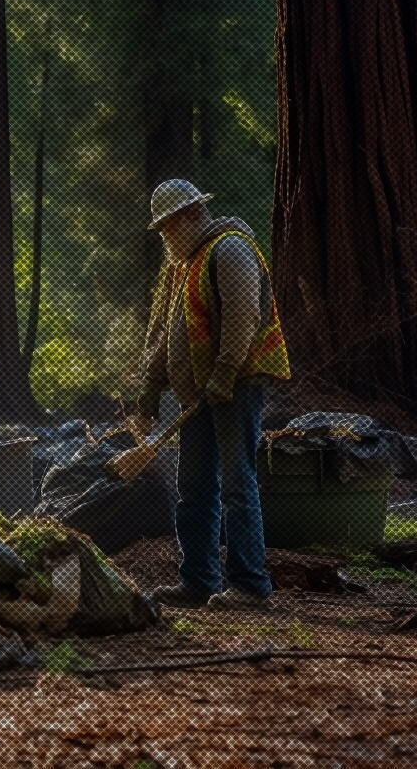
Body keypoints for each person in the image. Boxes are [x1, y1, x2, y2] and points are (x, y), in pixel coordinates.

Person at [133, 179, 290, 611]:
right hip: (202, 391)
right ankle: (199, 579)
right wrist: (151, 384)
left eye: (167, 226)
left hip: (236, 386)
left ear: (189, 216)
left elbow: (244, 318)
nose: (165, 236)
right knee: (194, 487)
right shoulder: (191, 263)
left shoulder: (231, 249)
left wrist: (223, 376)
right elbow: (174, 334)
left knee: (238, 484)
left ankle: (250, 585)